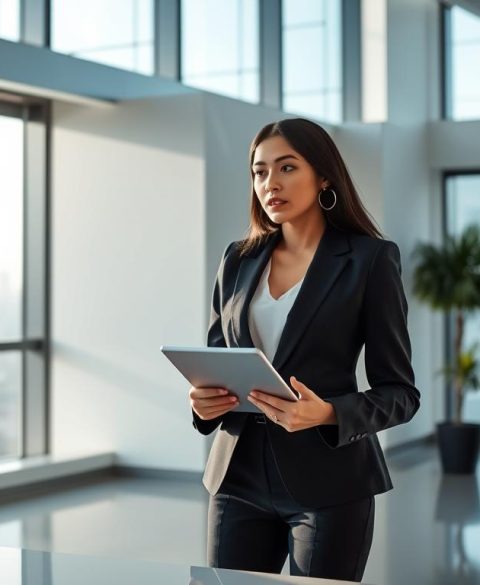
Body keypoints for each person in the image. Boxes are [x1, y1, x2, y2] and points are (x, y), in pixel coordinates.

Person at [189, 118, 419, 582]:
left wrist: (328, 413)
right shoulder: (237, 259)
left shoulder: (370, 260)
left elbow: (400, 393)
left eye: (287, 167)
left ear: (324, 176)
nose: (270, 184)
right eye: (259, 172)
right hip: (236, 477)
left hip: (330, 482)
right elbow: (217, 360)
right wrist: (203, 404)